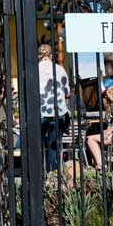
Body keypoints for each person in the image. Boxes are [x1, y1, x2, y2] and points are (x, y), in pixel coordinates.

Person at [38, 44, 70, 173]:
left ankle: (38, 176)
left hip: (40, 112)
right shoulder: (59, 69)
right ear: (51, 56)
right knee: (53, 146)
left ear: (39, 56)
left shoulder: (34, 70)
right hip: (58, 112)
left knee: (38, 146)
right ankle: (52, 176)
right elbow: (67, 92)